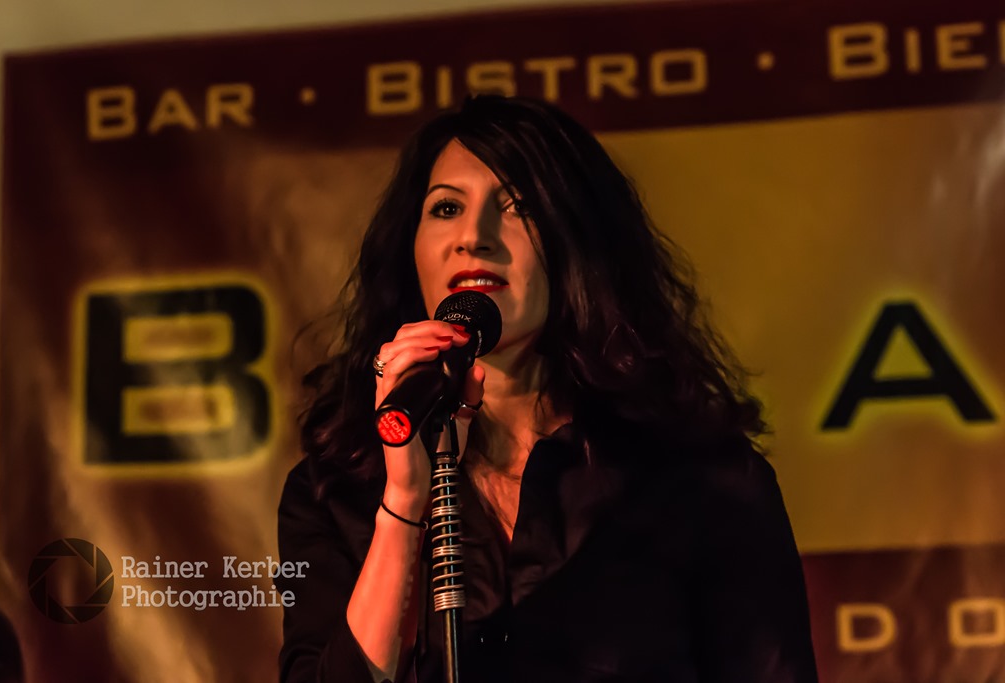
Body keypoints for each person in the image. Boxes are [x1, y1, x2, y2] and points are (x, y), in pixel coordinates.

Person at [276, 95, 818, 683]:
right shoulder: (334, 492)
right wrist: (405, 500)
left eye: (519, 206)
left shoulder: (705, 481)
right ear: (411, 250)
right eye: (447, 207)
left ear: (576, 242)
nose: (474, 237)